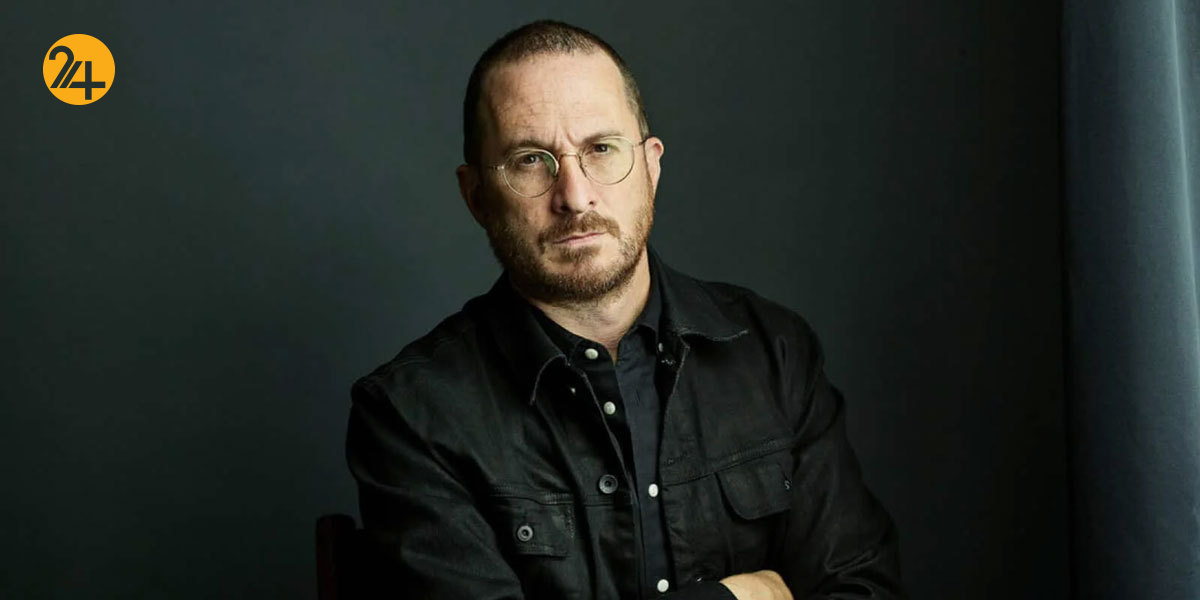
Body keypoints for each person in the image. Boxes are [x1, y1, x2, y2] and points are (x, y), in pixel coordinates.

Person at [346, 19, 904, 600]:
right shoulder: (413, 415)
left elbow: (864, 588)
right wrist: (736, 598)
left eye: (601, 149)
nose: (575, 196)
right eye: (531, 160)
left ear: (651, 166)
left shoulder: (773, 353)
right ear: (476, 196)